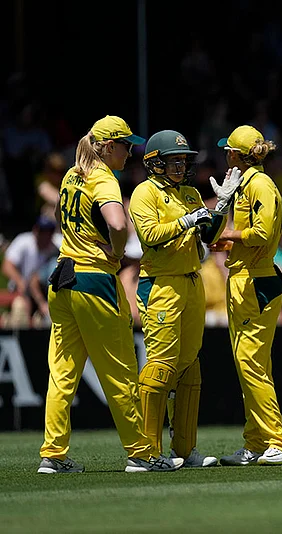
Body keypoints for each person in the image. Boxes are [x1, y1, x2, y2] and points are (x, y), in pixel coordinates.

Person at [38, 115, 178, 473]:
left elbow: (56, 213)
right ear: (108, 147)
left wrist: (78, 239)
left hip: (62, 278)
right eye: (126, 145)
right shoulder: (103, 177)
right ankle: (141, 453)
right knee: (120, 371)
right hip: (95, 282)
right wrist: (116, 251)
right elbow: (118, 223)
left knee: (62, 373)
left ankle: (52, 455)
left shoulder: (72, 174)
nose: (131, 152)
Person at [129, 130, 227, 468]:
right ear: (154, 162)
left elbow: (210, 237)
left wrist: (222, 208)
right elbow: (150, 236)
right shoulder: (144, 193)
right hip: (161, 284)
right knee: (161, 365)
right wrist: (187, 220)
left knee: (190, 367)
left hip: (192, 280)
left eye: (183, 160)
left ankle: (184, 450)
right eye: (174, 160)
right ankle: (146, 453)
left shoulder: (189, 192)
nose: (181, 166)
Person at [211, 125, 282, 466]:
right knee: (249, 365)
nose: (224, 156)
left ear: (235, 154)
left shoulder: (259, 184)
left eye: (226, 151)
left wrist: (230, 233)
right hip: (244, 277)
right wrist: (229, 239)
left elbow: (261, 233)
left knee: (251, 364)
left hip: (257, 282)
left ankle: (277, 442)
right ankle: (257, 442)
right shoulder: (248, 184)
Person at [1, 215, 60, 328]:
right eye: (42, 231)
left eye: (49, 231)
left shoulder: (57, 246)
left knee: (51, 318)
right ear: (36, 230)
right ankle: (9, 323)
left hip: (44, 293)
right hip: (21, 291)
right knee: (20, 312)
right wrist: (20, 281)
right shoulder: (24, 242)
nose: (45, 235)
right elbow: (7, 266)